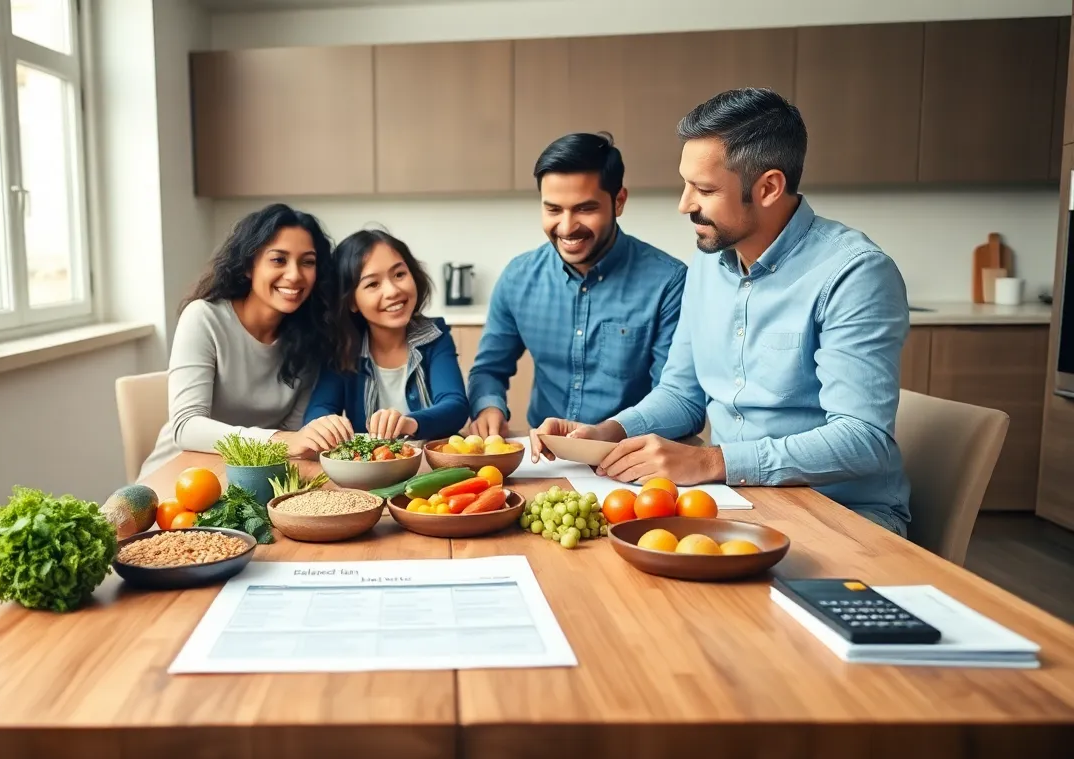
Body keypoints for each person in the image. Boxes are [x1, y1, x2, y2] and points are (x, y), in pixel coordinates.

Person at [530, 88, 912, 535]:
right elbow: (681, 393)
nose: (685, 203)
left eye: (705, 189)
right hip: (737, 503)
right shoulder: (708, 264)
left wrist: (710, 460)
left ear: (768, 187)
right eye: (686, 183)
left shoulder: (854, 273)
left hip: (843, 515)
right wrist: (610, 432)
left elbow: (863, 440)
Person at [467, 132, 687, 438]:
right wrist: (489, 407)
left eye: (585, 209)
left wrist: (607, 433)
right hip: (546, 455)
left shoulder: (669, 282)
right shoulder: (518, 277)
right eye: (553, 209)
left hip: (629, 455)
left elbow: (678, 399)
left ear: (619, 201)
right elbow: (489, 369)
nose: (567, 227)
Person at [138, 203, 354, 479]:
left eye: (307, 262)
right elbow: (187, 427)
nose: (295, 275)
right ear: (249, 266)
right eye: (278, 259)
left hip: (251, 478)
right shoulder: (205, 318)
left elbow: (294, 436)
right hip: (179, 475)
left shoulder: (311, 336)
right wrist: (280, 440)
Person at [304, 230, 469, 441]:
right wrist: (324, 423)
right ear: (351, 301)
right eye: (373, 284)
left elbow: (455, 406)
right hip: (372, 470)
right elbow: (319, 409)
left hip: (432, 464)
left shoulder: (435, 336)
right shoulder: (343, 348)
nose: (392, 291)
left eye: (399, 274)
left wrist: (410, 423)